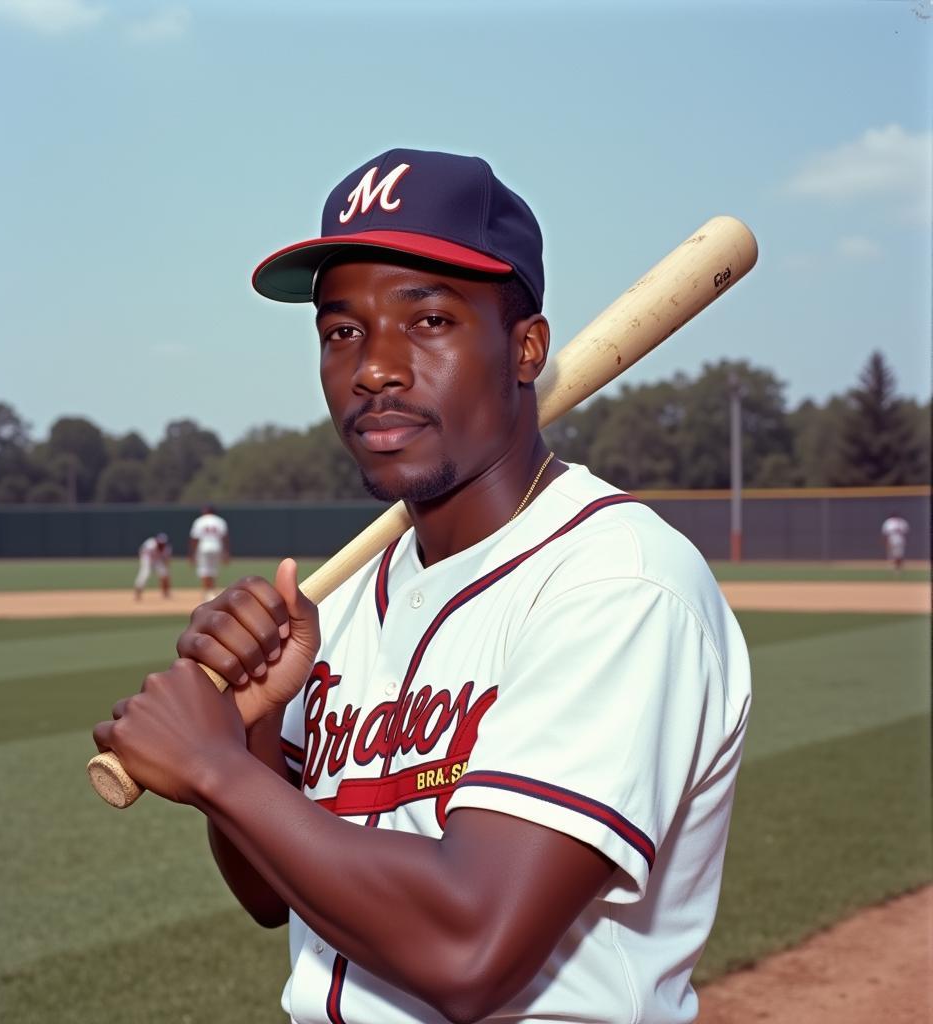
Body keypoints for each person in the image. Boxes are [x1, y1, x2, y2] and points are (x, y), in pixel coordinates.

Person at [94, 149, 752, 1024]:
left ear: (527, 349)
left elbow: (470, 947)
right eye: (342, 331)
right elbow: (274, 894)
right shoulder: (347, 598)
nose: (375, 368)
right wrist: (251, 732)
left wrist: (214, 770)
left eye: (430, 320)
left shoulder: (616, 583)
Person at [188, 504, 229, 599]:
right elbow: (225, 537)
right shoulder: (220, 521)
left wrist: (192, 553)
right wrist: (226, 552)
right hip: (217, 546)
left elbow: (194, 538)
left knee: (204, 570)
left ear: (206, 511)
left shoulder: (199, 521)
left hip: (204, 547)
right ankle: (212, 592)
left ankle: (207, 592)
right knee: (213, 569)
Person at [133, 532, 171, 601]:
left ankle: (166, 593)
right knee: (145, 574)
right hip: (147, 559)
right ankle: (137, 594)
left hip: (157, 560)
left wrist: (166, 567)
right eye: (160, 543)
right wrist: (144, 562)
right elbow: (142, 552)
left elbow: (166, 560)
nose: (161, 544)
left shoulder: (167, 548)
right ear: (156, 540)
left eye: (163, 543)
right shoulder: (150, 544)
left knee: (165, 574)